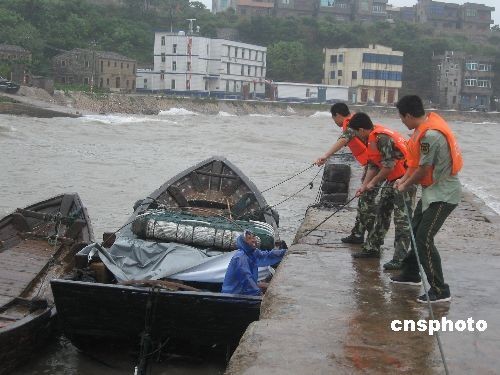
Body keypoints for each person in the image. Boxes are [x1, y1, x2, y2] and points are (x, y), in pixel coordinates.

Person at [391, 95, 462, 303]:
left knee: (424, 238)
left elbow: (423, 170)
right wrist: (402, 180)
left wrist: (405, 185)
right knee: (415, 230)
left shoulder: (430, 135)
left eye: (402, 118)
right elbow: (413, 165)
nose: (402, 122)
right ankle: (412, 274)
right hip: (431, 192)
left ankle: (440, 290)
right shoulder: (421, 131)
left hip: (444, 195)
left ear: (409, 115)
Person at [348, 113, 414, 270]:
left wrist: (373, 183)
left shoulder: (381, 138)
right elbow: (373, 165)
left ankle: (400, 259)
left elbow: (388, 166)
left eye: (356, 133)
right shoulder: (372, 138)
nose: (356, 137)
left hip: (406, 180)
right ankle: (372, 248)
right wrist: (364, 186)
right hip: (393, 180)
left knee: (402, 221)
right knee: (381, 212)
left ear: (362, 129)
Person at [314, 103, 377, 245]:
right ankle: (359, 233)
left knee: (367, 202)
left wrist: (325, 156)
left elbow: (343, 140)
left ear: (337, 115)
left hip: (374, 166)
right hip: (371, 164)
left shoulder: (350, 125)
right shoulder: (356, 120)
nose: (335, 122)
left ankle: (369, 239)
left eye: (333, 118)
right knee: (364, 202)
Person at [221, 229, 286, 296]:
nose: (253, 240)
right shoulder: (240, 258)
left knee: (270, 287)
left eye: (253, 237)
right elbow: (246, 279)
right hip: (233, 294)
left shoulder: (253, 253)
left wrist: (284, 252)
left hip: (243, 288)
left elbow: (267, 255)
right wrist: (259, 294)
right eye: (249, 238)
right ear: (243, 242)